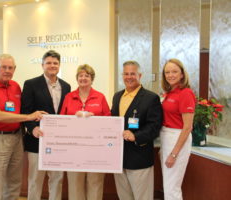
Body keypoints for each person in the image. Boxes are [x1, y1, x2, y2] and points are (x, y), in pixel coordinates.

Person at [0, 54, 46, 200]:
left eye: (10, 68)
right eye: (3, 67)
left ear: (14, 69)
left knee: (15, 181)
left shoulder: (15, 86)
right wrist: (30, 117)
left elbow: (22, 108)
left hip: (16, 137)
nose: (7, 70)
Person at [21, 50, 71, 200]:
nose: (52, 66)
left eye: (55, 63)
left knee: (57, 179)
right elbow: (25, 111)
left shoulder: (66, 86)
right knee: (35, 180)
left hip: (58, 143)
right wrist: (32, 128)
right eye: (48, 63)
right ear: (42, 65)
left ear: (59, 65)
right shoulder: (31, 84)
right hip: (37, 140)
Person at [111, 60, 163, 200]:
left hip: (139, 157)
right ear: (122, 75)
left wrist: (136, 136)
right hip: (119, 158)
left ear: (139, 75)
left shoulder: (151, 98)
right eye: (126, 74)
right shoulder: (117, 96)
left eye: (132, 73)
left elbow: (154, 126)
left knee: (142, 197)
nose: (129, 77)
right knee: (124, 197)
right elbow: (112, 121)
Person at [60, 64, 111, 200]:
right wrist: (73, 119)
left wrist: (94, 120)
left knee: (95, 183)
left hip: (96, 149)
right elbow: (61, 121)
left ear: (92, 79)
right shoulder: (69, 97)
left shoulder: (100, 97)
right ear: (77, 78)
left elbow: (109, 121)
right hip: (74, 149)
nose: (83, 78)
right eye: (80, 75)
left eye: (86, 76)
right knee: (75, 184)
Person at [160, 59, 195, 200]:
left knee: (172, 189)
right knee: (168, 186)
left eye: (174, 71)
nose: (170, 75)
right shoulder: (169, 93)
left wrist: (174, 154)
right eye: (167, 72)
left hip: (178, 138)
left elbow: (187, 127)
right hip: (167, 138)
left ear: (182, 74)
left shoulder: (185, 93)